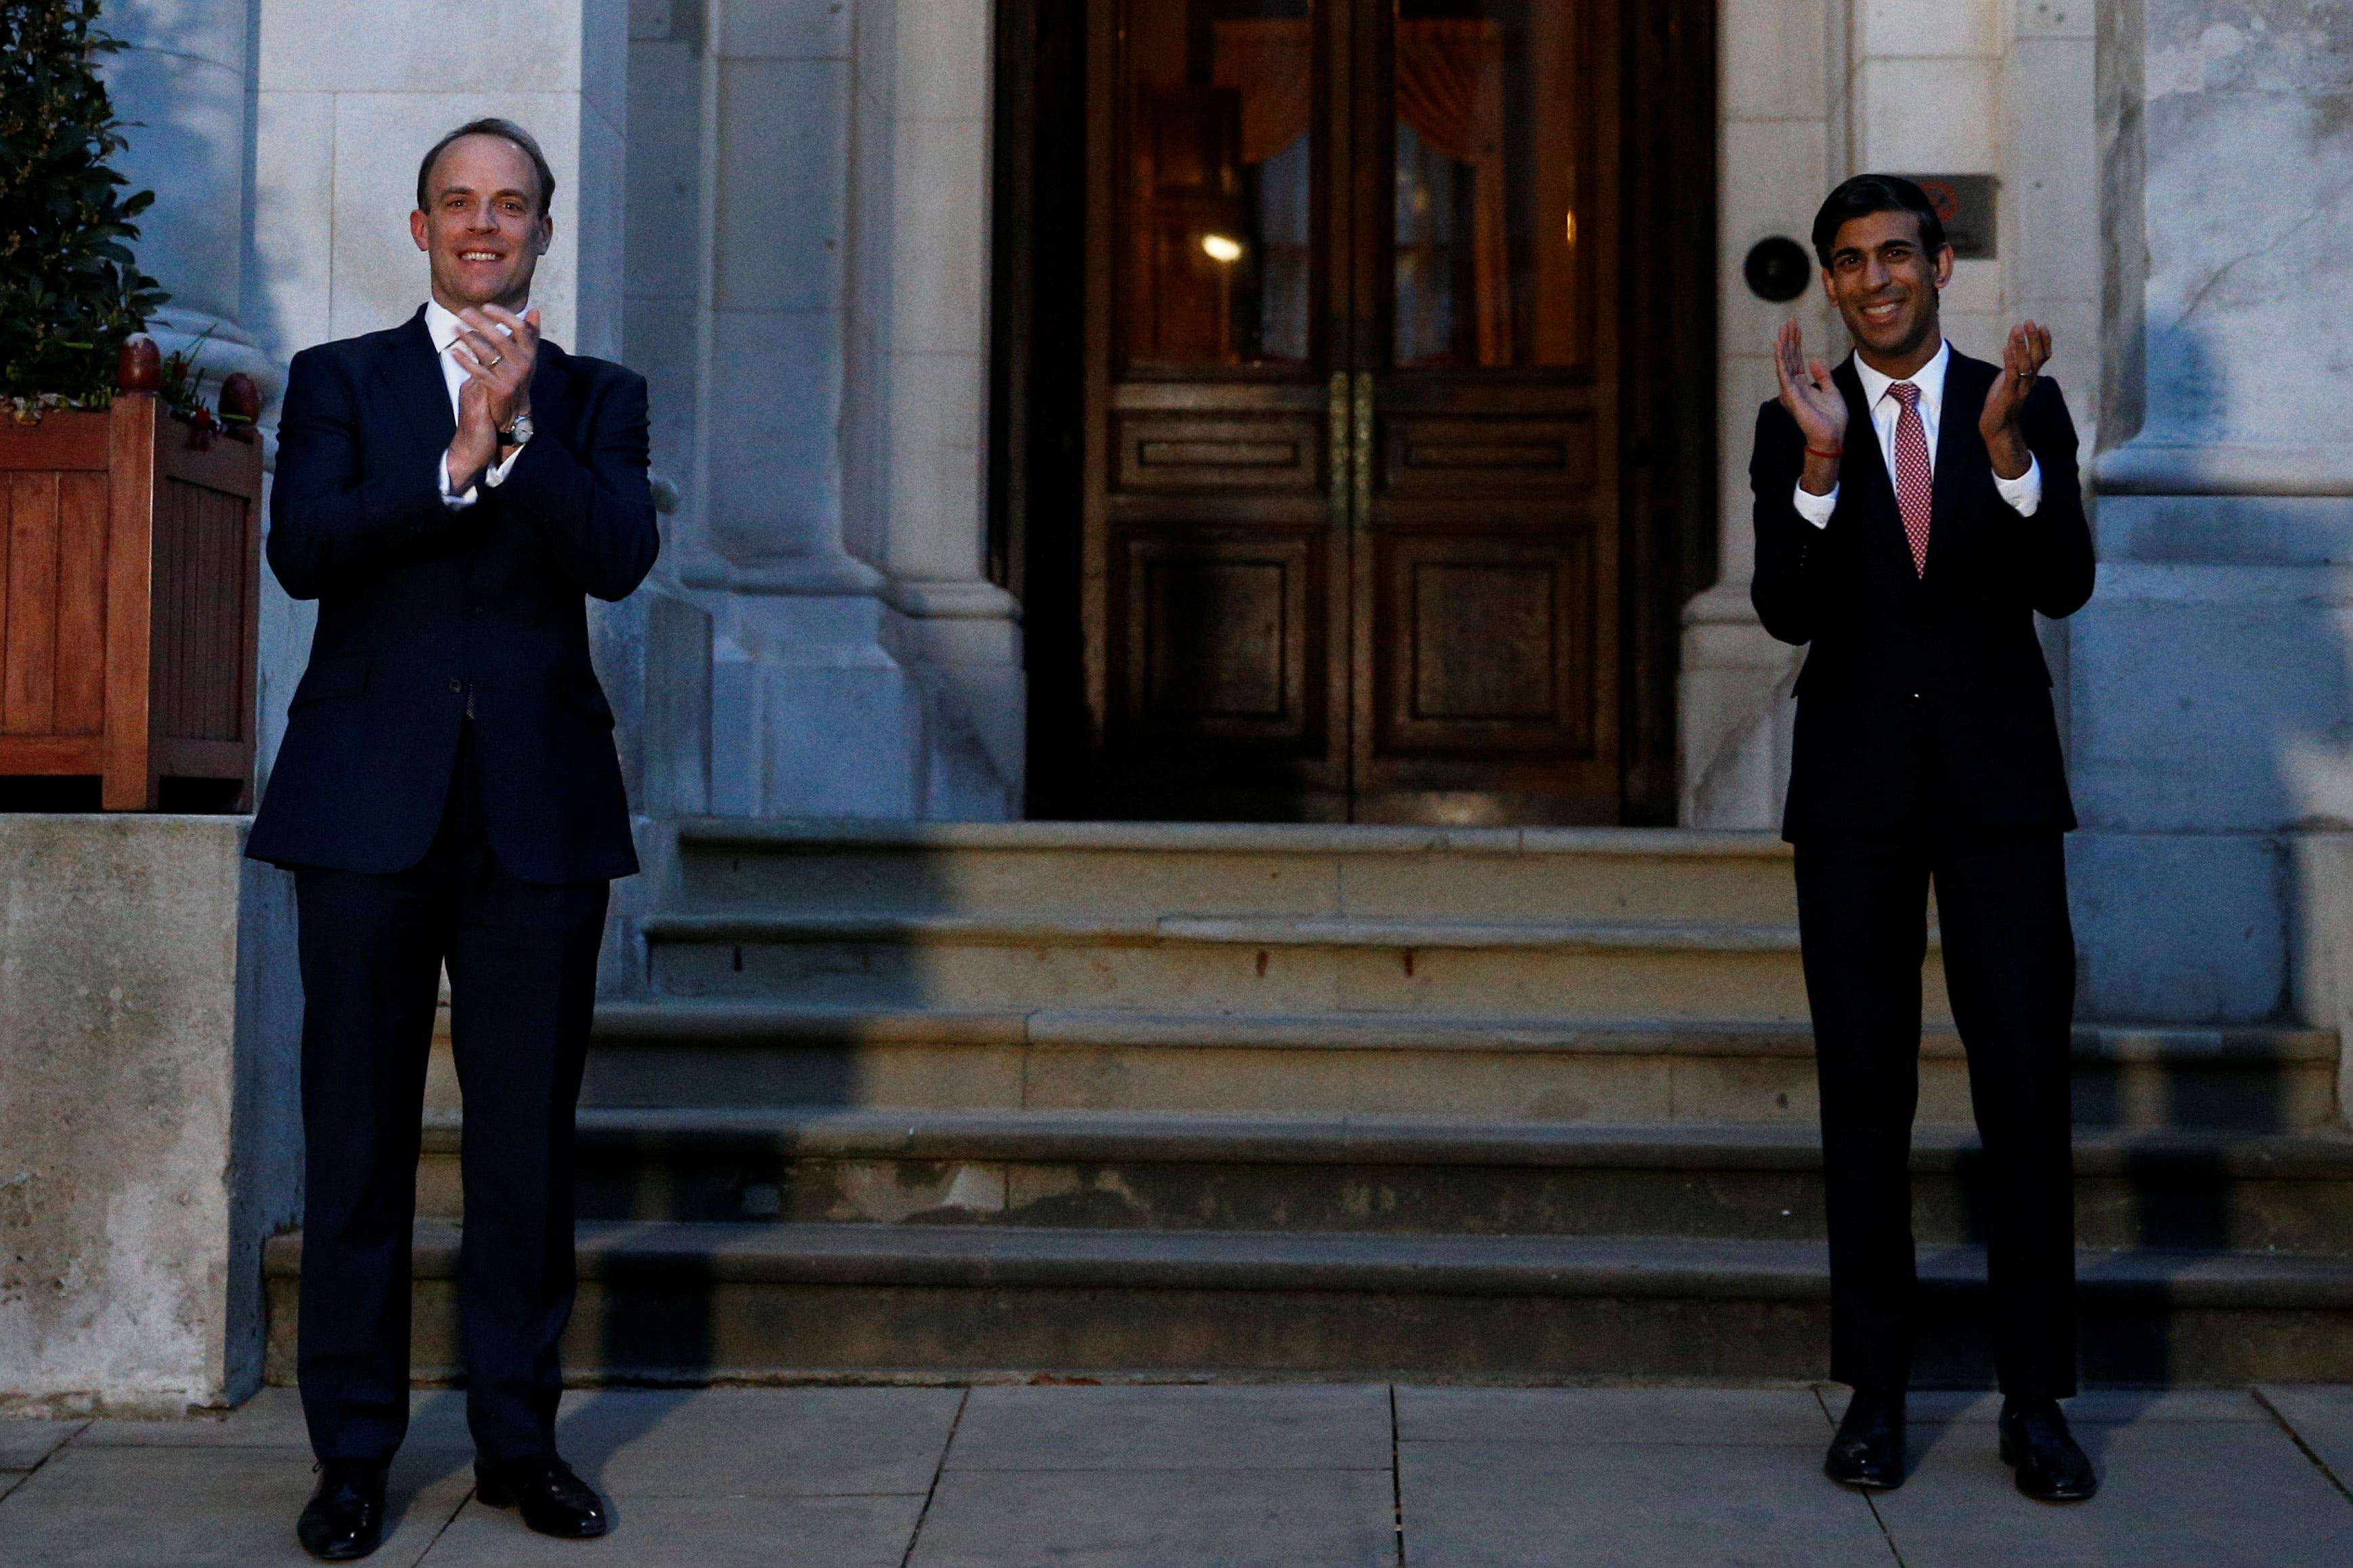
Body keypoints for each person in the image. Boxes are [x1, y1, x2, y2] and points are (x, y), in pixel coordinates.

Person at [248, 118, 657, 1559]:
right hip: (365, 805)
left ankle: (517, 1446)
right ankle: (353, 1457)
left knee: (523, 1152)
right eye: (459, 203)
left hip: (540, 817)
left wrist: (521, 437)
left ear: (545, 231)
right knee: (355, 1141)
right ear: (419, 226)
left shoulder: (600, 398)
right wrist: (450, 464)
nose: (485, 225)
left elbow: (617, 553)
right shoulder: (340, 381)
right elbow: (307, 550)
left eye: (512, 206)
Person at [1751, 174, 2098, 1502]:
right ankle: (1876, 1393)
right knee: (1864, 1098)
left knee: (2023, 1094)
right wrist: (1825, 465)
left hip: (1999, 795)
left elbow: (2061, 579)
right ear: (1831, 283)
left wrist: (2008, 456)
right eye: (1849, 262)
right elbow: (1786, 609)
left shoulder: (2025, 405)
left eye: (1896, 252)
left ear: (1940, 263)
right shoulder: (1793, 424)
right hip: (1851, 802)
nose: (1873, 277)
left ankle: (2032, 1401)